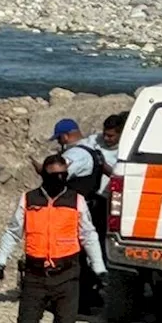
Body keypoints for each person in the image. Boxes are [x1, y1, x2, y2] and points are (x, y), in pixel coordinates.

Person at [0, 153, 106, 323]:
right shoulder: (28, 200)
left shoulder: (76, 201)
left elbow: (88, 234)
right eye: (54, 176)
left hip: (67, 274)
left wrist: (99, 269)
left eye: (64, 175)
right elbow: (13, 233)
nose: (60, 179)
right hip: (34, 275)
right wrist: (0, 262)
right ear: (43, 175)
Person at [46, 118, 116, 313]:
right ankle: (91, 296)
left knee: (74, 254)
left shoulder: (74, 154)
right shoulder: (94, 152)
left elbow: (57, 174)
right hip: (97, 207)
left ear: (65, 136)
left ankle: (78, 300)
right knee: (92, 252)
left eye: (59, 139)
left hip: (78, 210)